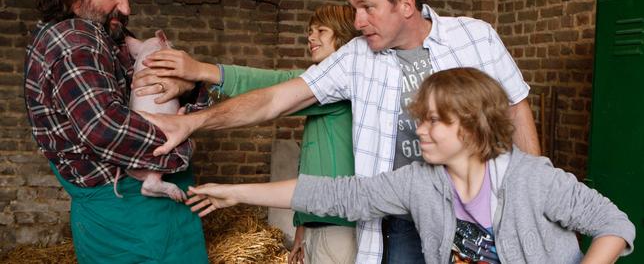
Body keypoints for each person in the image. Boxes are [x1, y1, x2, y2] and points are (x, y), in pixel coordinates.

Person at [137, 0, 540, 263]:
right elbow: (278, 97)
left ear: (405, 4)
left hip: (484, 210)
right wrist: (192, 122)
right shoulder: (356, 58)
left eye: (367, 8)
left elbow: (517, 109)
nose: (358, 21)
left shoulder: (476, 37)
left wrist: (532, 194)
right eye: (353, 10)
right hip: (402, 218)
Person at [185, 67, 636, 264]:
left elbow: (615, 223)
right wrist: (235, 192)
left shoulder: (532, 179)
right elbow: (339, 195)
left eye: (435, 121)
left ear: (474, 127)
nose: (420, 129)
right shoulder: (420, 182)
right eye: (420, 117)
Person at [23, 0, 209, 263]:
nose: (126, 9)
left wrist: (187, 87)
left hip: (139, 209)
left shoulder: (105, 33)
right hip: (126, 216)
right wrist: (184, 139)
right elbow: (105, 129)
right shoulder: (74, 44)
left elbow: (180, 78)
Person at [140, 4, 361, 264]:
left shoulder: (344, 86)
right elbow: (314, 170)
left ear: (345, 36)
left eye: (321, 31)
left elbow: (270, 87)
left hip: (338, 228)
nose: (311, 37)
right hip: (319, 223)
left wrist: (201, 70)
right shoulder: (322, 88)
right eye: (309, 31)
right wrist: (302, 228)